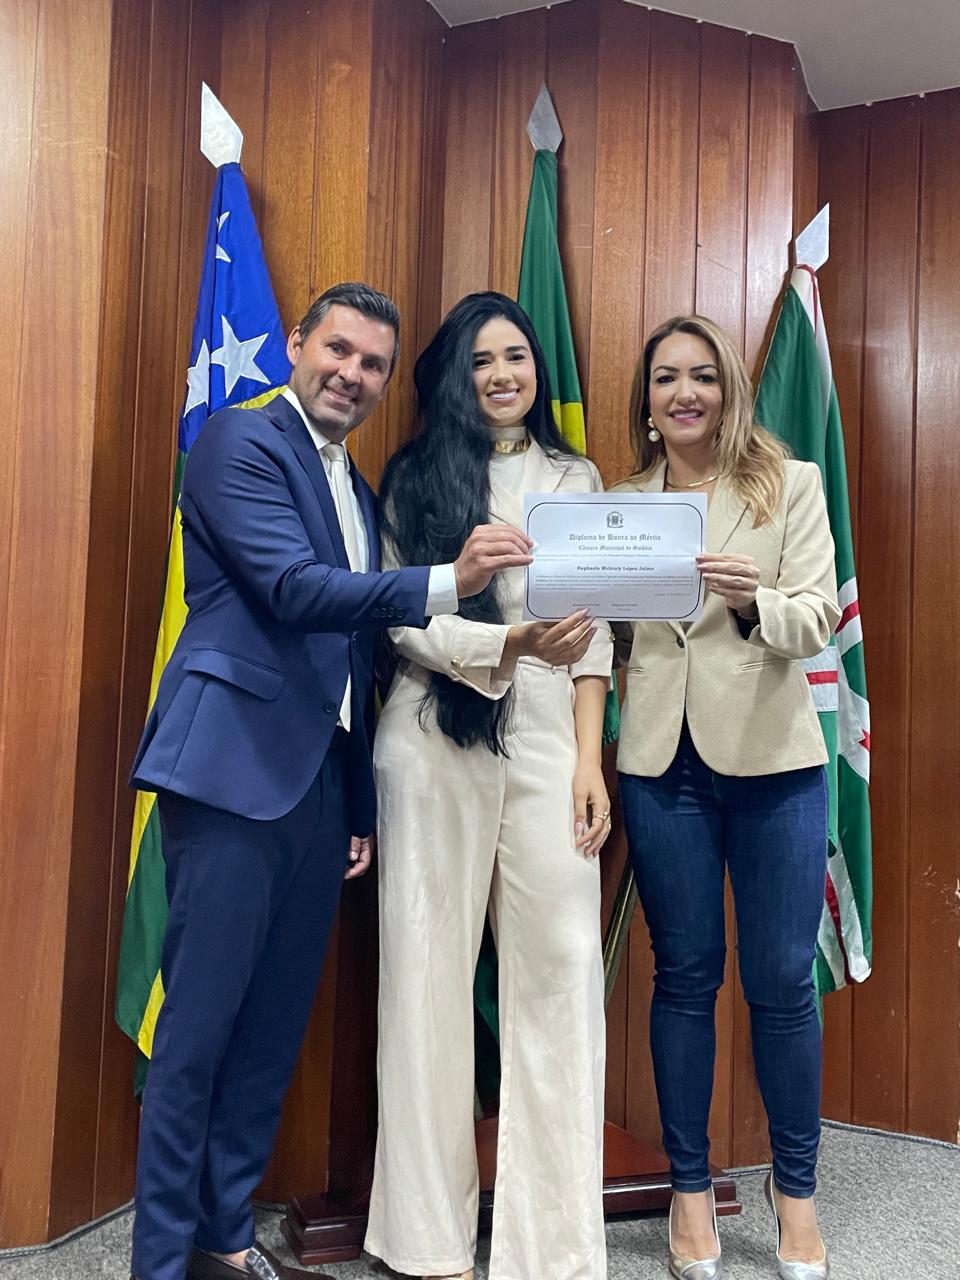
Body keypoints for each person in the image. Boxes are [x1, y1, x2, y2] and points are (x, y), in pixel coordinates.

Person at [127, 282, 534, 1280]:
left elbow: (353, 658)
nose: (352, 374)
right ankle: (158, 1262)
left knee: (270, 1034)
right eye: (338, 350)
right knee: (198, 1033)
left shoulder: (354, 486)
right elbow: (293, 590)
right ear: (297, 342)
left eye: (373, 364)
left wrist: (354, 802)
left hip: (316, 791)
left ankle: (223, 1240)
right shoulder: (240, 440)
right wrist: (450, 581)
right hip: (230, 775)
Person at [362, 292, 613, 1280]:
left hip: (551, 742)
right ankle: (427, 1239)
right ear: (452, 377)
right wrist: (504, 641)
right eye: (480, 360)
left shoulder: (575, 477)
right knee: (423, 982)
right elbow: (398, 617)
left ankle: (554, 1246)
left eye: (516, 355)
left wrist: (589, 759)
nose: (503, 374)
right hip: (431, 737)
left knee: (562, 977)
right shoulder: (413, 476)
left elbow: (596, 630)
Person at [613, 315, 839, 1280]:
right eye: (667, 378)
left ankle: (798, 1196)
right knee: (685, 976)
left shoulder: (790, 484)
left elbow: (818, 617)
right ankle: (690, 1192)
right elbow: (606, 634)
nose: (685, 393)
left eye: (703, 376)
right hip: (661, 765)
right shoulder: (621, 502)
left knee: (783, 981)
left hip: (774, 764)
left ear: (730, 390)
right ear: (647, 400)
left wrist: (754, 601)